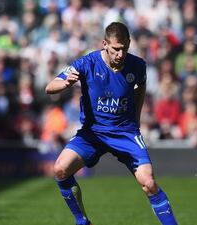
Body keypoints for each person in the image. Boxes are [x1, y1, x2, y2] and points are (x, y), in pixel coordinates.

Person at [45, 22, 178, 225]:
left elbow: (140, 86)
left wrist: (137, 116)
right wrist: (64, 84)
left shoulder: (138, 65)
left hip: (125, 132)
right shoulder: (87, 63)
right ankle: (82, 221)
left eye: (124, 48)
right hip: (93, 133)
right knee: (61, 169)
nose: (120, 54)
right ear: (105, 44)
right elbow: (49, 87)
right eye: (116, 49)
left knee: (149, 183)